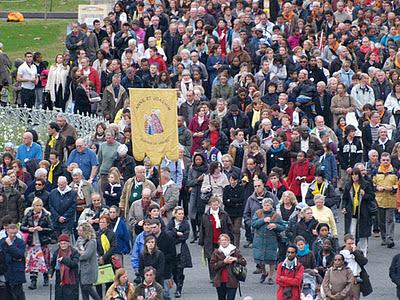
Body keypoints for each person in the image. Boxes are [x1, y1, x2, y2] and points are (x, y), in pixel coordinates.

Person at [20, 198, 53, 290]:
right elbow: (22, 227)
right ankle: (33, 281)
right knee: (33, 262)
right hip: (32, 242)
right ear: (33, 206)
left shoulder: (46, 215)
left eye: (40, 205)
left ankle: (46, 277)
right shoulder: (28, 214)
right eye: (37, 205)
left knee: (45, 261)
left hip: (42, 241)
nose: (38, 207)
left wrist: (42, 229)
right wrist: (28, 229)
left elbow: (51, 229)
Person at [342, 167, 375, 256]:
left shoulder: (366, 184)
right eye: (352, 174)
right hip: (351, 212)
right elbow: (345, 198)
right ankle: (352, 252)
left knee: (363, 234)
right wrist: (343, 207)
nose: (354, 176)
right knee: (351, 232)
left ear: (359, 175)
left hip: (363, 213)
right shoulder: (348, 185)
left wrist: (364, 195)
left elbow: (372, 196)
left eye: (356, 174)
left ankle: (363, 253)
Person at [199, 197, 234, 281]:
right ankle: (213, 276)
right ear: (210, 205)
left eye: (217, 204)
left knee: (222, 257)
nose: (215, 206)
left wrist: (231, 238)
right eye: (213, 205)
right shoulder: (206, 216)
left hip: (222, 240)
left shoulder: (224, 214)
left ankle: (222, 274)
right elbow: (202, 229)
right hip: (210, 241)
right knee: (211, 259)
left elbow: (229, 226)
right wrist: (201, 241)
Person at [252, 198, 285, 285]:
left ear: (271, 206)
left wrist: (275, 226)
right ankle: (264, 273)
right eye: (265, 205)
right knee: (260, 259)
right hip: (259, 239)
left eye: (268, 205)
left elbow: (282, 226)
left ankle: (270, 276)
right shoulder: (258, 213)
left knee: (272, 259)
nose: (266, 207)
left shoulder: (276, 215)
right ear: (262, 205)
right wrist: (263, 220)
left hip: (271, 240)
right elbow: (253, 224)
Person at [373, 153, 398, 248]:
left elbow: (398, 184)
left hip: (391, 198)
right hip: (379, 199)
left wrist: (392, 188)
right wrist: (377, 188)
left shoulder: (394, 171)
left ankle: (390, 238)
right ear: (380, 161)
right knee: (381, 221)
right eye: (383, 160)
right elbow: (372, 183)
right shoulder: (376, 171)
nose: (385, 162)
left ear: (390, 161)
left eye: (387, 160)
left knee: (390, 219)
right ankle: (384, 237)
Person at [210, 234, 247, 300]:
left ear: (229, 241)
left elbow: (244, 262)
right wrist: (224, 262)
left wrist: (236, 259)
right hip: (220, 280)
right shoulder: (216, 252)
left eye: (226, 240)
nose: (224, 242)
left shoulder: (235, 251)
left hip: (232, 280)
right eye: (222, 240)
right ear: (219, 242)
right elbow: (212, 266)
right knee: (221, 298)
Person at [166, 206, 192, 298]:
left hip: (181, 249)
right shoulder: (171, 222)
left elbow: (185, 236)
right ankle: (177, 283)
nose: (181, 215)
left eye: (182, 214)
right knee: (173, 270)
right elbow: (167, 233)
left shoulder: (185, 224)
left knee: (180, 270)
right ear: (175, 214)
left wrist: (175, 236)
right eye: (179, 214)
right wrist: (176, 232)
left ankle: (179, 288)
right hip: (172, 249)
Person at [340, 234, 373, 299]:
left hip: (355, 279)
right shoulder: (340, 253)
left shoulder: (358, 252)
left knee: (355, 297)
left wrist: (355, 252)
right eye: (349, 243)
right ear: (345, 243)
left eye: (352, 243)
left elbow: (364, 262)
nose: (351, 245)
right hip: (344, 279)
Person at [49, 234, 79, 300]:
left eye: (64, 243)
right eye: (61, 243)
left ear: (68, 243)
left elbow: (73, 264)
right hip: (59, 277)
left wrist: (63, 259)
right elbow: (52, 264)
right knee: (59, 296)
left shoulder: (74, 252)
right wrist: (50, 273)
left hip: (71, 278)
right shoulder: (56, 252)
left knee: (70, 297)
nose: (63, 245)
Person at [0, 223, 26, 300]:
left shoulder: (20, 242)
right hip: (6, 270)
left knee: (18, 293)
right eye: (11, 233)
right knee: (6, 294)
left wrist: (10, 245)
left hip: (17, 271)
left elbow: (19, 255)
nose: (12, 235)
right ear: (7, 231)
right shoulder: (2, 241)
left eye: (14, 233)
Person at [76, 222, 101, 300]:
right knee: (83, 289)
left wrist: (78, 253)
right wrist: (80, 252)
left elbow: (86, 255)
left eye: (80, 230)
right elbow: (74, 250)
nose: (78, 232)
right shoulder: (79, 239)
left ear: (86, 231)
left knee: (88, 287)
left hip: (89, 269)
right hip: (81, 269)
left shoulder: (92, 241)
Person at [187, 153, 208, 243]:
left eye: (200, 159)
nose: (198, 161)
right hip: (194, 193)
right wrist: (197, 180)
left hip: (203, 193)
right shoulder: (192, 169)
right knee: (192, 215)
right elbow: (189, 182)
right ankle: (194, 234)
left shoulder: (207, 169)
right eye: (196, 160)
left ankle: (201, 234)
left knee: (201, 214)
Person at [96, 214, 117, 297]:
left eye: (103, 222)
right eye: (100, 222)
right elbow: (94, 246)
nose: (101, 224)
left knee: (109, 284)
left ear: (108, 223)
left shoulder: (112, 234)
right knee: (98, 284)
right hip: (98, 261)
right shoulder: (96, 234)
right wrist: (98, 257)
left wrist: (104, 257)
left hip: (108, 261)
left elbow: (113, 247)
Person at [222, 173, 245, 248]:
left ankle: (236, 247)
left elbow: (241, 200)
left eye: (234, 180)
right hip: (228, 212)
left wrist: (231, 200)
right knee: (229, 230)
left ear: (237, 180)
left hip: (238, 213)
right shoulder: (226, 188)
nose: (232, 182)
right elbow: (225, 201)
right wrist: (235, 202)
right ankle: (230, 245)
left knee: (236, 230)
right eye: (231, 180)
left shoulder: (240, 188)